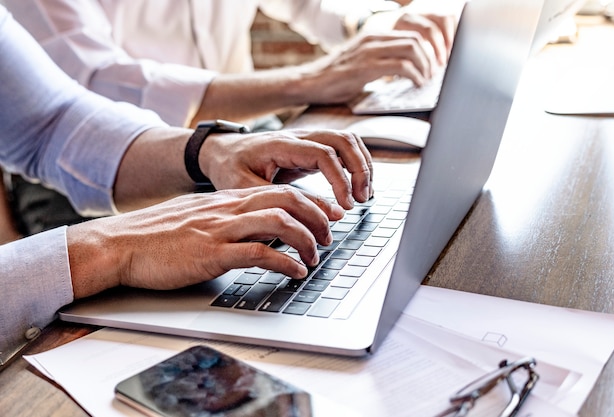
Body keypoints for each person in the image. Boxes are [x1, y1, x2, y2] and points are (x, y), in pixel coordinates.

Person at [0, 6, 373, 365]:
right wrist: (107, 246)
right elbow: (96, 79)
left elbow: (48, 124)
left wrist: (207, 151)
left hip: (165, 145)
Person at [1, 0, 456, 240]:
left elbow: (311, 3)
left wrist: (374, 25)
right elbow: (93, 89)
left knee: (345, 230)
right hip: (77, 183)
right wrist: (310, 80)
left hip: (229, 138)